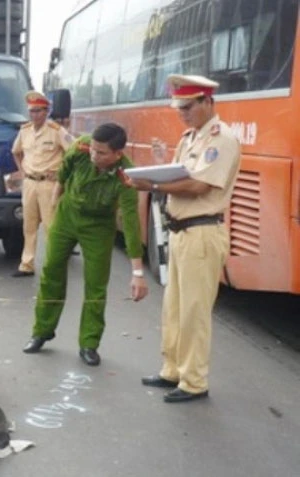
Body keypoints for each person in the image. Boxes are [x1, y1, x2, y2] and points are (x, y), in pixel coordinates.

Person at [131, 74, 240, 403]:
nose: (182, 113)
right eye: (179, 107)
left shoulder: (221, 139)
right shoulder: (191, 137)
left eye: (188, 107)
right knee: (174, 307)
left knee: (194, 310)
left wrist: (151, 185)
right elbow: (180, 175)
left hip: (202, 232)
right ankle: (173, 370)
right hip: (181, 231)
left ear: (208, 102)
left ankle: (194, 381)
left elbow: (199, 186)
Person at [22, 123, 149, 366]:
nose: (94, 155)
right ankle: (41, 332)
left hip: (99, 227)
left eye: (101, 153)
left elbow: (131, 222)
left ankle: (89, 344)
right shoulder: (80, 148)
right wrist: (54, 204)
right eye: (93, 149)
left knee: (96, 284)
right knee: (52, 271)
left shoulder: (127, 176)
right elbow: (64, 173)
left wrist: (137, 272)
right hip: (67, 216)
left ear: (117, 154)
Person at [10, 91, 74, 277]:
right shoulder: (25, 131)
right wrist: (22, 171)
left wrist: (61, 172)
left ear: (46, 111)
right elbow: (16, 152)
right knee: (28, 226)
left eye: (38, 111)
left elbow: (73, 152)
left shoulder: (56, 131)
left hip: (49, 184)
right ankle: (26, 264)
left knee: (51, 226)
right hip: (30, 182)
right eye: (31, 111)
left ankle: (54, 264)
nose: (34, 115)